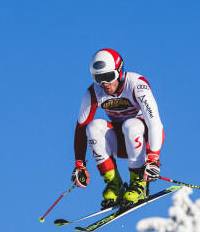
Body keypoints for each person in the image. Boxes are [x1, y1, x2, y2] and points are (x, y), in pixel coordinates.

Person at [70, 48, 165, 210]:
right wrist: (79, 164)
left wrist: (153, 158)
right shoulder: (94, 92)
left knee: (131, 124)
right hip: (120, 143)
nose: (105, 84)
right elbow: (81, 128)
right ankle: (115, 185)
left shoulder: (137, 85)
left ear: (119, 72)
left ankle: (138, 183)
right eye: (99, 78)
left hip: (143, 140)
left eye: (108, 76)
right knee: (93, 127)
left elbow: (155, 122)